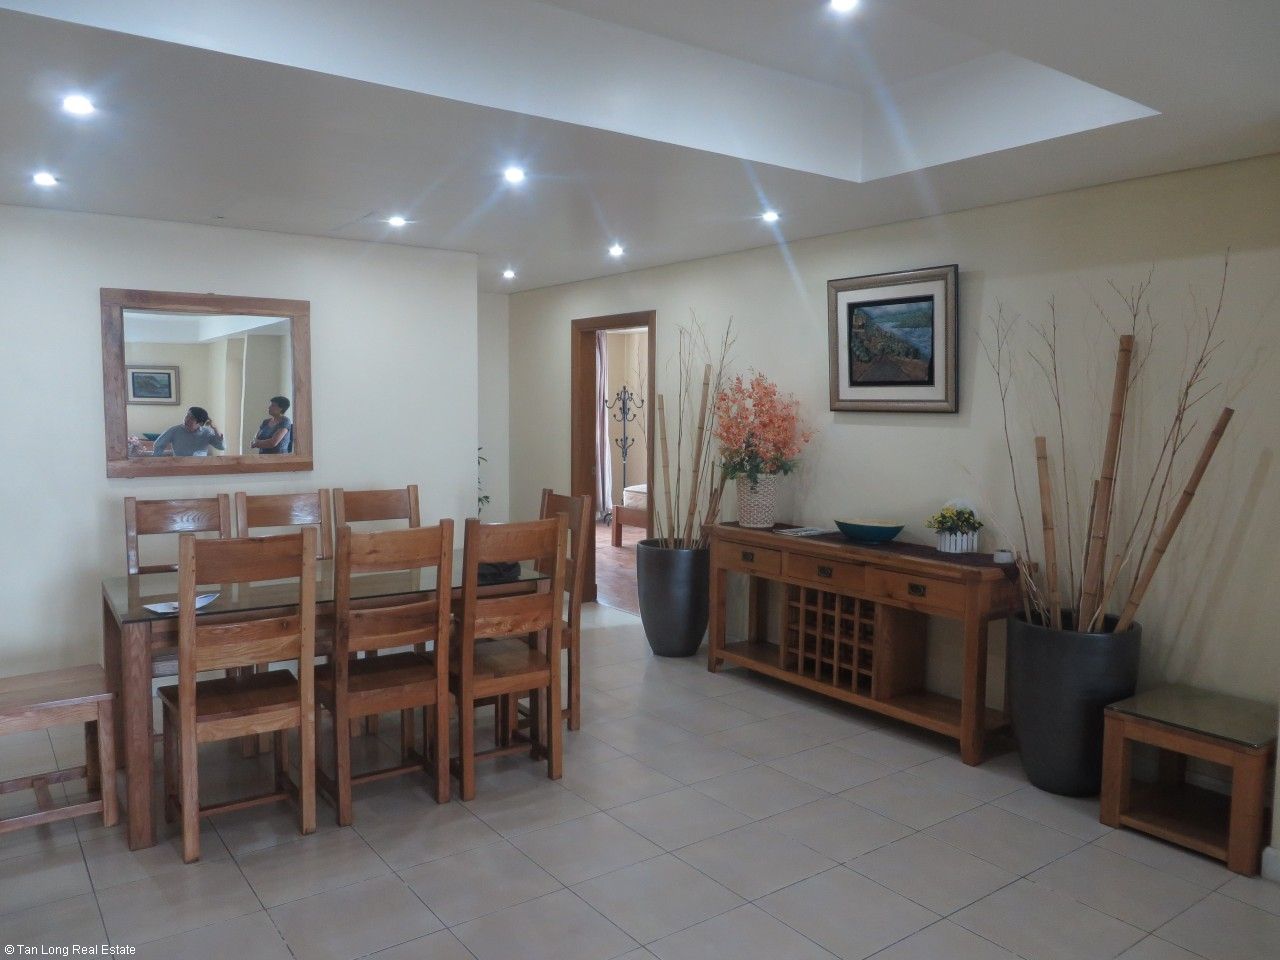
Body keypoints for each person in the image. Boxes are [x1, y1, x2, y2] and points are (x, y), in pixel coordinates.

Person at [151, 406, 225, 456]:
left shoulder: (206, 433)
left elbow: (221, 447)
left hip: (200, 468)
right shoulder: (174, 430)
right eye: (187, 416)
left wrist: (215, 428)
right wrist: (158, 461)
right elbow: (158, 445)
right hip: (180, 467)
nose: (187, 420)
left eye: (192, 418)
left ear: (200, 423)